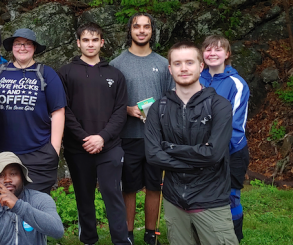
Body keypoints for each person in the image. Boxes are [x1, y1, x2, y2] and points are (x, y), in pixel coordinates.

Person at [145, 41, 238, 245]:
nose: (184, 68)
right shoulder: (158, 108)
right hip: (174, 201)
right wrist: (197, 161)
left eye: (189, 62)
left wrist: (169, 148)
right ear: (170, 69)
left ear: (201, 66)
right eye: (177, 63)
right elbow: (152, 154)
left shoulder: (219, 106)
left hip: (211, 201)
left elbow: (214, 154)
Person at [57, 23, 130, 245]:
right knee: (84, 197)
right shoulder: (66, 72)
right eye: (86, 40)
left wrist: (102, 137)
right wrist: (84, 138)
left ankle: (121, 240)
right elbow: (63, 110)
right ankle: (89, 239)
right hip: (77, 148)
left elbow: (120, 111)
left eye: (95, 40)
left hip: (109, 146)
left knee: (113, 195)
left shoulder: (115, 75)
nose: (90, 44)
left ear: (102, 42)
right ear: (78, 43)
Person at [109, 13, 174, 244]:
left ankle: (150, 234)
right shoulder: (117, 64)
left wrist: (159, 114)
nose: (142, 30)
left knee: (154, 186)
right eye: (137, 26)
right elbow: (110, 101)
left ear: (151, 31)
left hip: (156, 138)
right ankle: (127, 235)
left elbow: (171, 98)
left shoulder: (163, 64)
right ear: (130, 30)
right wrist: (127, 109)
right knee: (129, 187)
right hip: (128, 136)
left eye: (146, 27)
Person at [0, 28, 66, 194]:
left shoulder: (47, 74)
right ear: (12, 47)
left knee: (34, 207)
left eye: (27, 44)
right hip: (2, 153)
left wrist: (54, 149)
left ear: (34, 48)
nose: (22, 48)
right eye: (18, 44)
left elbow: (58, 111)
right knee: (3, 207)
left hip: (38, 153)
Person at [199, 35, 250, 242]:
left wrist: (217, 151)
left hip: (231, 152)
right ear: (202, 54)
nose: (212, 53)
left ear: (227, 54)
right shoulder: (196, 78)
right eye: (208, 49)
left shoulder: (236, 83)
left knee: (230, 197)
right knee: (204, 196)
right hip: (201, 151)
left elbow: (236, 126)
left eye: (218, 49)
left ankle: (233, 238)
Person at [0, 152, 64, 245]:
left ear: (22, 177)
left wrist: (18, 206)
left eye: (13, 174)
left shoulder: (40, 199)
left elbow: (58, 231)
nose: (7, 180)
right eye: (0, 175)